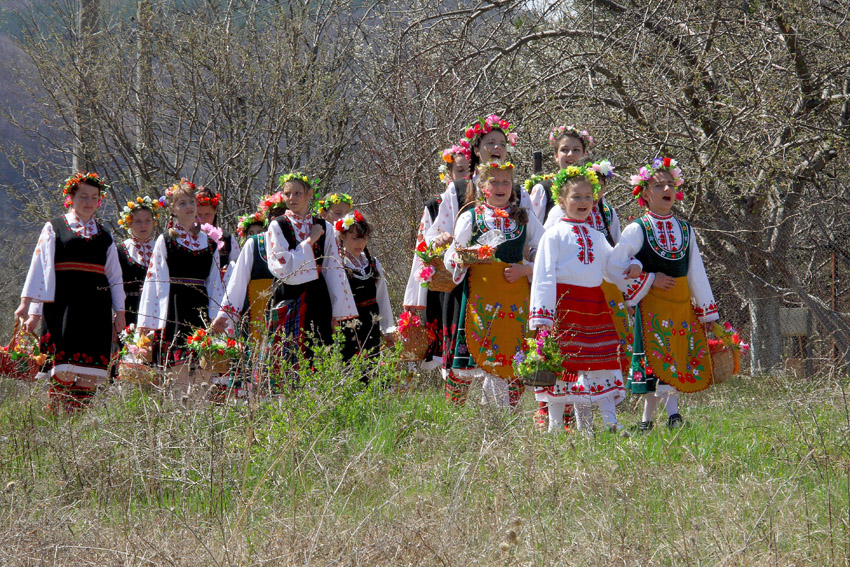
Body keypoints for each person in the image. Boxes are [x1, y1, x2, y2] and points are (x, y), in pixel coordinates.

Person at [529, 165, 640, 432]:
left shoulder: (596, 235)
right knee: (564, 367)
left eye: (588, 197)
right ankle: (555, 427)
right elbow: (543, 275)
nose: (583, 202)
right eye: (576, 197)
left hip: (594, 306)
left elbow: (612, 266)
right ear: (561, 200)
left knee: (600, 363)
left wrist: (631, 265)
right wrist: (543, 318)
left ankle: (609, 423)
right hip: (564, 307)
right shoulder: (553, 235)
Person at [611, 158, 719, 430]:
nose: (667, 189)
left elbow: (696, 271)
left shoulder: (685, 229)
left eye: (671, 184)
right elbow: (613, 266)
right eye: (659, 185)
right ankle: (670, 418)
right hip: (653, 307)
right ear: (645, 194)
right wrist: (649, 279)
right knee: (657, 361)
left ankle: (654, 421)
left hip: (680, 306)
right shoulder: (637, 229)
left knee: (674, 359)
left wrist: (707, 311)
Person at [15, 172, 126, 411]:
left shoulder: (105, 236)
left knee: (90, 373)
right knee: (63, 370)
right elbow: (40, 269)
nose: (89, 202)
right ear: (71, 197)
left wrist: (121, 312)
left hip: (96, 310)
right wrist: (29, 307)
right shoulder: (54, 227)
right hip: (62, 308)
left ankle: (78, 427)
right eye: (83, 196)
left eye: (94, 197)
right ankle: (57, 423)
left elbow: (115, 278)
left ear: (99, 201)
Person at [442, 161, 545, 408]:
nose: (501, 187)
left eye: (506, 182)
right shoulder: (471, 217)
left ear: (513, 187)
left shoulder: (524, 217)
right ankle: (459, 413)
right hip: (481, 298)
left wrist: (527, 268)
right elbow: (451, 256)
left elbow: (546, 252)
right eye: (494, 182)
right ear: (482, 186)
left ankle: (501, 416)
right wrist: (469, 257)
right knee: (478, 353)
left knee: (510, 355)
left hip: (514, 298)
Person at [137, 179, 224, 389]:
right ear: (173, 210)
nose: (189, 207)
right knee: (179, 369)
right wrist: (147, 321)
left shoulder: (210, 243)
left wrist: (219, 317)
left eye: (191, 202)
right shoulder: (165, 240)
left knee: (204, 368)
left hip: (201, 309)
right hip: (175, 309)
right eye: (182, 203)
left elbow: (215, 284)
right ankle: (178, 416)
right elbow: (154, 281)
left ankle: (200, 416)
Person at [265, 172, 357, 372]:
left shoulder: (325, 226)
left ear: (309, 194)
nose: (292, 198)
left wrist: (340, 309)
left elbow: (333, 268)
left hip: (318, 295)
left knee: (318, 347)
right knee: (288, 352)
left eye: (298, 193)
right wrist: (310, 241)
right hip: (288, 294)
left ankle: (316, 398)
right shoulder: (278, 225)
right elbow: (282, 265)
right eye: (288, 193)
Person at [402, 145, 469, 371]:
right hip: (444, 282)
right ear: (449, 174)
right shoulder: (435, 205)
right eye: (460, 171)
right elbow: (423, 244)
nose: (465, 176)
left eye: (470, 170)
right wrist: (439, 240)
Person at [336, 210, 394, 377]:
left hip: (371, 323)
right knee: (349, 367)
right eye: (355, 238)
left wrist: (387, 328)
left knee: (371, 366)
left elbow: (382, 298)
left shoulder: (373, 264)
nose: (360, 243)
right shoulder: (338, 265)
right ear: (342, 237)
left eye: (364, 238)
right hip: (348, 326)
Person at [529, 124, 593, 223]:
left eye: (576, 150)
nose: (570, 154)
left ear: (584, 154)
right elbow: (532, 229)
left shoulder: (592, 186)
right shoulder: (543, 189)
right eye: (564, 150)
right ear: (556, 156)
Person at [116, 195, 163, 326]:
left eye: (148, 221)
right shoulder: (120, 250)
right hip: (130, 311)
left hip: (156, 310)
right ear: (129, 223)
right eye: (138, 221)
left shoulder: (160, 248)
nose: (143, 226)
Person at [195, 185, 240, 275]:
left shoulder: (227, 239)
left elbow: (238, 269)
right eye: (199, 215)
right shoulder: (185, 237)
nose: (203, 219)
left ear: (215, 210)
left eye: (207, 214)